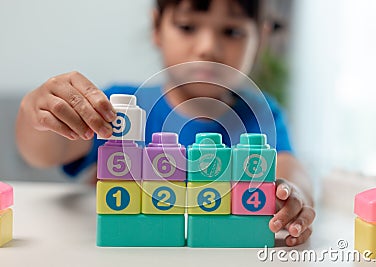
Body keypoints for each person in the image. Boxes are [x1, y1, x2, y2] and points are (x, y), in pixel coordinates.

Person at [15, 0, 315, 246]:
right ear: (157, 27)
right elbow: (43, 152)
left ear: (260, 39)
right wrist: (37, 113)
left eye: (232, 31)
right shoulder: (117, 105)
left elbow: (290, 173)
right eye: (187, 26)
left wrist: (293, 197)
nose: (208, 47)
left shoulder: (260, 115)